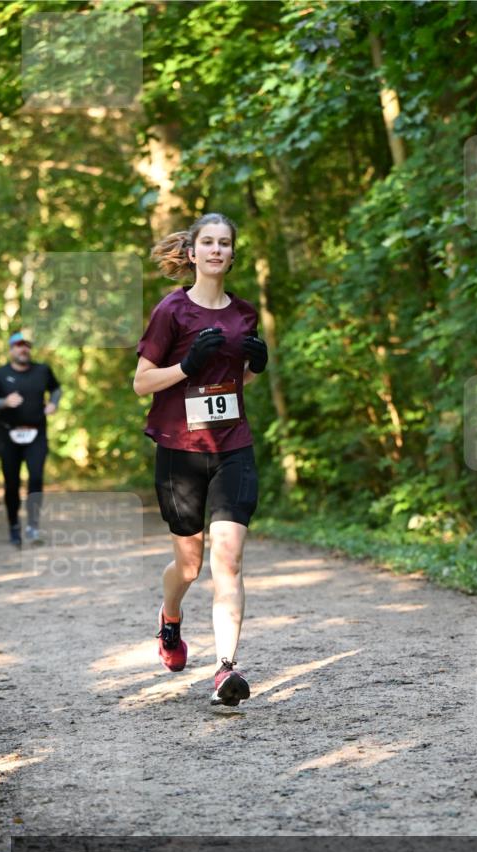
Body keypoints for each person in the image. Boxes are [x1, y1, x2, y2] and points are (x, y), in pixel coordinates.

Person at [133, 212, 268, 707]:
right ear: (191, 254)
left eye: (224, 243)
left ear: (233, 254)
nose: (216, 250)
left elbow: (238, 379)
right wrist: (184, 366)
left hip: (233, 447)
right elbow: (141, 382)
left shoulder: (245, 314)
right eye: (207, 242)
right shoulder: (172, 311)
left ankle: (225, 669)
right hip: (180, 452)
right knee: (188, 568)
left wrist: (256, 365)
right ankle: (170, 619)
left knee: (227, 560)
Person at [0, 332, 61, 546]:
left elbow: (56, 389)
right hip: (8, 435)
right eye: (19, 346)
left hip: (36, 434)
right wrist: (3, 402)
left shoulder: (42, 370)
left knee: (36, 478)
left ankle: (33, 525)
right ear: (11, 349)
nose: (24, 349)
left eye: (27, 346)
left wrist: (53, 403)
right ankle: (14, 526)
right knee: (11, 483)